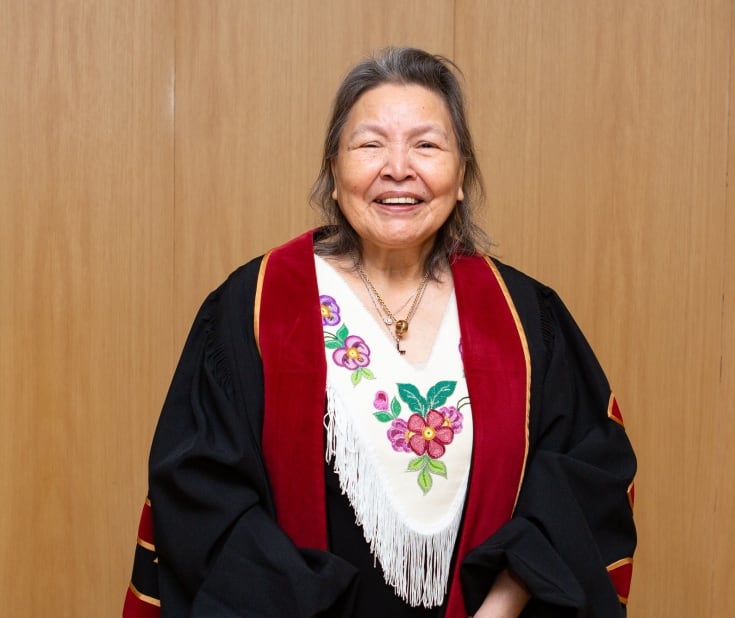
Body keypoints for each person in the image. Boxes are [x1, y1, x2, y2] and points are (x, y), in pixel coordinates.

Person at [124, 46, 636, 618]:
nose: (398, 168)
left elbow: (582, 478)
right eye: (370, 144)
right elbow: (202, 500)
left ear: (461, 174)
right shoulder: (252, 310)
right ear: (335, 173)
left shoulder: (524, 318)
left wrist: (502, 606)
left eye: (427, 144)